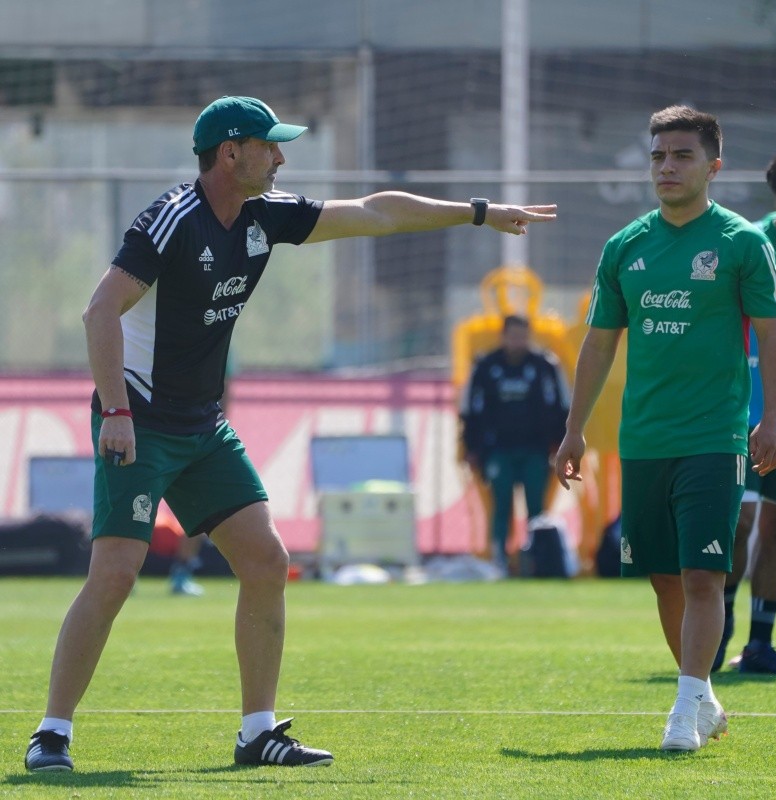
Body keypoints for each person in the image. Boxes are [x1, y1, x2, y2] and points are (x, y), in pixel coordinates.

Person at [23, 95, 557, 772]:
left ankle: (258, 733)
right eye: (269, 145)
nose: (281, 158)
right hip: (142, 418)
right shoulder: (172, 219)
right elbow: (99, 311)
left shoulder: (264, 215)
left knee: (267, 562)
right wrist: (117, 412)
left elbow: (375, 214)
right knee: (116, 576)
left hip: (202, 426)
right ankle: (52, 734)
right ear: (230, 153)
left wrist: (477, 214)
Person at [555, 105, 776, 752]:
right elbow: (599, 346)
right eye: (658, 156)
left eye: (682, 155)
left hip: (715, 437)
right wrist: (574, 429)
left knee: (702, 577)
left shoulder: (743, 243)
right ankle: (703, 696)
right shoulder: (625, 247)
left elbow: (771, 337)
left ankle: (683, 709)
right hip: (644, 440)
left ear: (713, 166)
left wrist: (770, 418)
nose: (666, 167)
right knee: (662, 577)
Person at [713, 148, 776, 675]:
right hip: (742, 413)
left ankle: (760, 643)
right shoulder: (749, 244)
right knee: (737, 521)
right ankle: (715, 632)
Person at [460, 314, 569, 573]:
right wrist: (472, 446)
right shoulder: (486, 366)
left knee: (536, 508)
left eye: (522, 336)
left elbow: (561, 406)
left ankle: (535, 559)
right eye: (513, 336)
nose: (517, 342)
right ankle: (499, 558)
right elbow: (470, 411)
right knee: (501, 505)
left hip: (535, 449)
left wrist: (558, 441)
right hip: (498, 449)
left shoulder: (544, 365)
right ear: (503, 336)